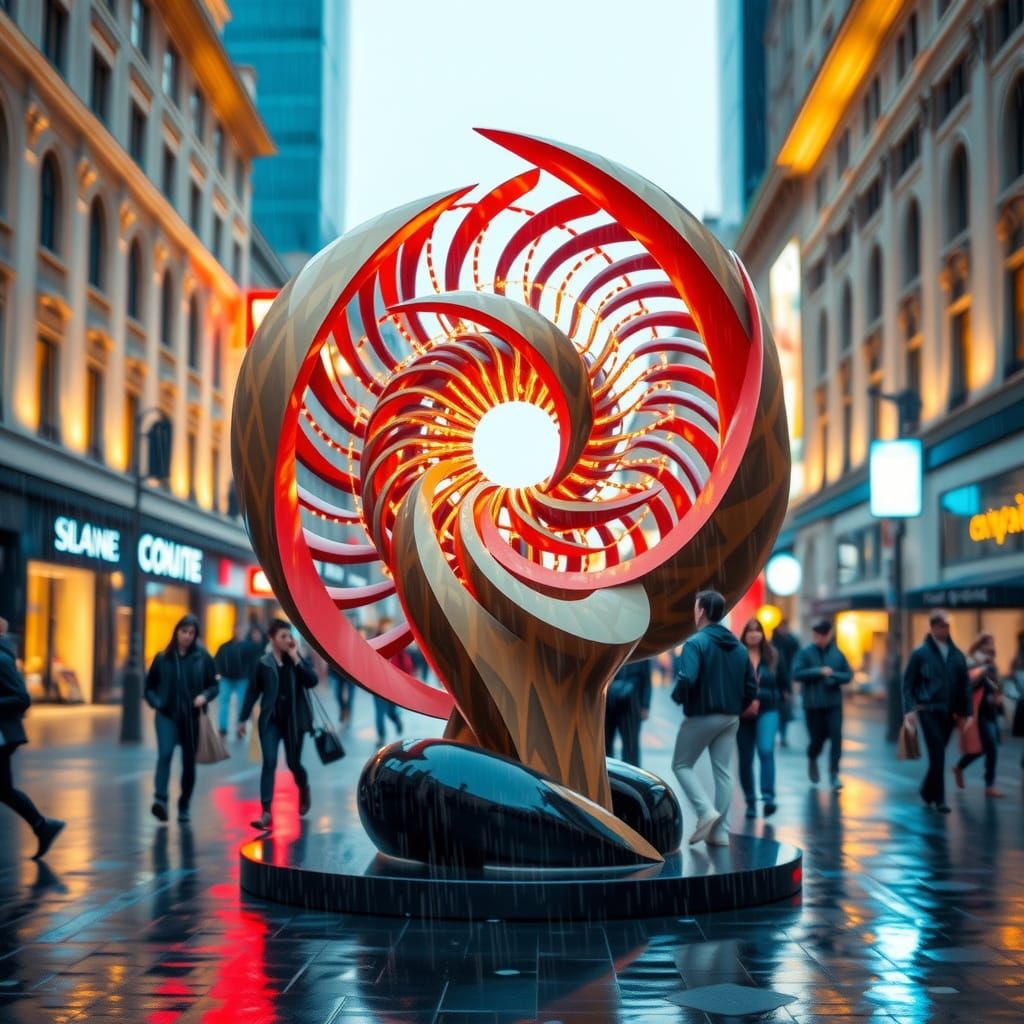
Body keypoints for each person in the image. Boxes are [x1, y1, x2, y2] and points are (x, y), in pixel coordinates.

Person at [671, 590, 757, 846]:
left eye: (696, 606)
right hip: (731, 716)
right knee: (723, 772)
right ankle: (720, 833)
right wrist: (735, 707)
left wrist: (679, 697)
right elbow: (751, 687)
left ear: (701, 611)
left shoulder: (696, 643)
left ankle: (705, 811)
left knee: (681, 765)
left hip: (701, 714)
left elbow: (687, 678)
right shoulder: (739, 648)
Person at [238, 618, 318, 831]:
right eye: (283, 636)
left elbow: (312, 681)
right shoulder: (263, 663)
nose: (287, 640)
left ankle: (304, 787)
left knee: (293, 764)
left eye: (289, 636)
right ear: (271, 638)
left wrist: (296, 658)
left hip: (294, 722)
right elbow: (252, 691)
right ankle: (266, 813)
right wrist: (243, 719)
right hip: (270, 721)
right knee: (270, 762)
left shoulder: (296, 659)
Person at [144, 614, 219, 824]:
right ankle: (160, 800)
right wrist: (157, 703)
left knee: (188, 764)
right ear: (176, 632)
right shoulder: (162, 658)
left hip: (191, 718)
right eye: (183, 631)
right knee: (165, 754)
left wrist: (204, 696)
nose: (186, 636)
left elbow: (214, 686)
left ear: (195, 635)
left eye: (191, 633)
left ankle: (184, 805)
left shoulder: (203, 658)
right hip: (166, 716)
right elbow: (148, 686)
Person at [0, 617, 64, 858]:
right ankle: (43, 826)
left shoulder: (2, 659)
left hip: (3, 735)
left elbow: (22, 698)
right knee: (4, 790)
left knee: (4, 789)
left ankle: (43, 826)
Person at [902, 610, 972, 813]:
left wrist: (968, 713)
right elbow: (908, 684)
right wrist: (909, 710)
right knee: (938, 753)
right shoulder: (920, 654)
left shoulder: (956, 654)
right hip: (928, 710)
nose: (945, 629)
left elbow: (965, 685)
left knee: (938, 755)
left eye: (947, 626)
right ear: (932, 627)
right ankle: (940, 799)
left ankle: (926, 790)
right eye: (941, 625)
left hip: (950, 713)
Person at [736, 618, 790, 818]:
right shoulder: (737, 654)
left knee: (766, 750)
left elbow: (784, 682)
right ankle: (750, 801)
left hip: (768, 710)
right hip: (742, 714)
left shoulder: (773, 655)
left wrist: (780, 699)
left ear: (762, 634)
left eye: (757, 630)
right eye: (750, 630)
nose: (753, 634)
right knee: (745, 759)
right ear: (744, 634)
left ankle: (768, 798)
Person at [792, 619, 852, 791]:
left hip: (833, 704)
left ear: (829, 634)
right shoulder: (805, 653)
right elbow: (796, 674)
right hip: (813, 704)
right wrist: (819, 672)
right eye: (817, 635)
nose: (819, 638)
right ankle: (812, 758)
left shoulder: (837, 653)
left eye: (822, 635)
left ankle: (834, 773)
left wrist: (833, 677)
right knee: (817, 739)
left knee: (836, 737)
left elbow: (848, 675)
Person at [952, 633, 1003, 798]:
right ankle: (989, 786)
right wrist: (983, 669)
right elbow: (968, 685)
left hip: (991, 710)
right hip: (978, 711)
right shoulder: (972, 662)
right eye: (987, 645)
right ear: (979, 646)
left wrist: (998, 694)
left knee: (983, 749)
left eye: (991, 644)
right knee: (992, 748)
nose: (990, 648)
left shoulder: (991, 664)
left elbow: (996, 685)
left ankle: (960, 767)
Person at [604, 658, 652, 767]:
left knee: (631, 745)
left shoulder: (640, 648)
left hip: (632, 701)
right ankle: (608, 775)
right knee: (605, 743)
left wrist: (645, 705)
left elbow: (646, 679)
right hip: (609, 700)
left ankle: (631, 777)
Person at [215, 624, 256, 739]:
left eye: (240, 629)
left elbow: (253, 663)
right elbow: (217, 660)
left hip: (242, 679)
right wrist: (219, 672)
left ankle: (240, 727)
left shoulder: (248, 647)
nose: (238, 632)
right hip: (226, 679)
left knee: (241, 704)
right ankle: (223, 728)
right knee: (223, 703)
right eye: (236, 629)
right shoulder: (225, 647)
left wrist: (251, 677)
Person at [373, 618, 406, 745]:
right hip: (378, 682)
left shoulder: (396, 640)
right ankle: (381, 736)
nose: (388, 629)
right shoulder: (375, 641)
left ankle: (396, 720)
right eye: (386, 626)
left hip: (393, 681)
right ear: (381, 627)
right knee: (379, 711)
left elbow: (402, 660)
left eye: (389, 626)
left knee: (391, 711)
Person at [771, 619, 801, 747]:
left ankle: (783, 736)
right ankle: (774, 735)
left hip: (786, 679)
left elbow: (797, 658)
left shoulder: (792, 642)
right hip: (774, 681)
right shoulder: (773, 642)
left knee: (784, 711)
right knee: (775, 711)